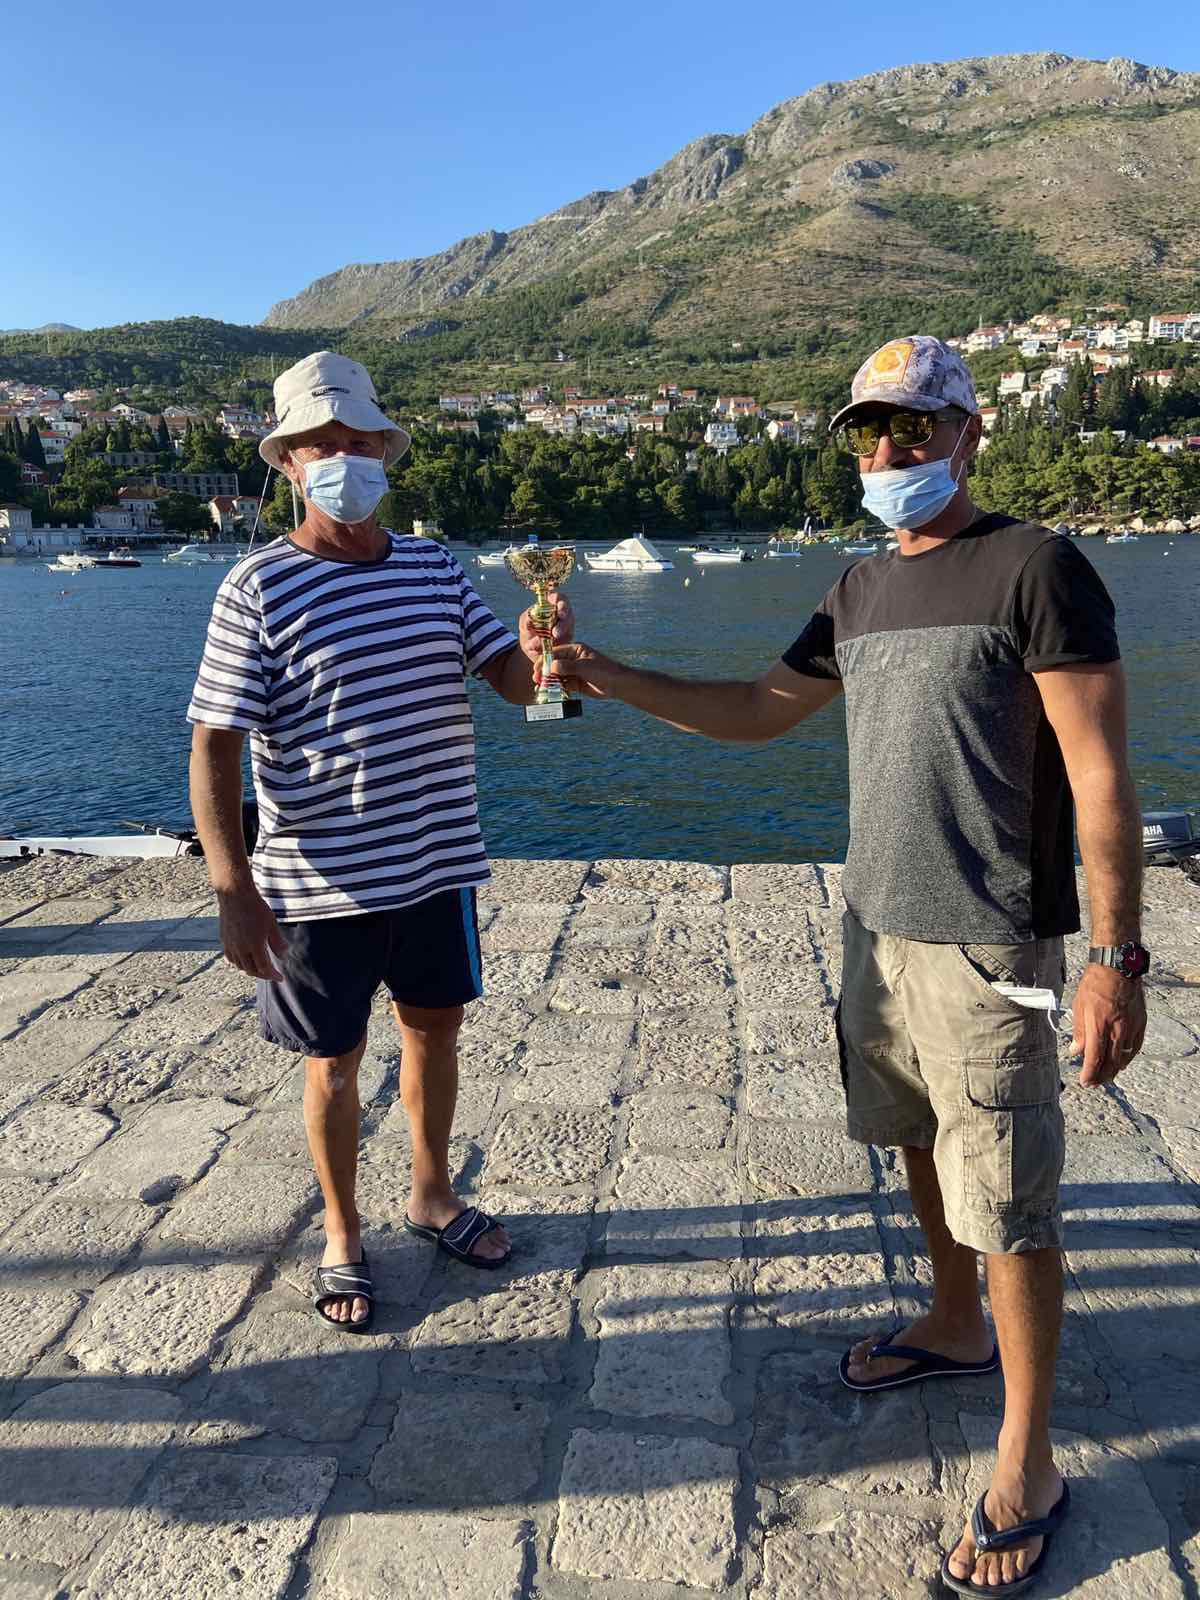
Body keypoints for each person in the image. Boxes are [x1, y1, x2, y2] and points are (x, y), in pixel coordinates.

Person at [553, 335, 1147, 1596]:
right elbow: (759, 711)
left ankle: (1029, 1460)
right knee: (916, 1138)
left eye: (913, 427)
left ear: (968, 434)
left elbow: (1101, 774)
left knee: (1012, 1196)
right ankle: (953, 1322)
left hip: (990, 940)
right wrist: (604, 675)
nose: (887, 450)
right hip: (876, 924)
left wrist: (1114, 958)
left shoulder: (1035, 566)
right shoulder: (859, 588)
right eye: (869, 432)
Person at [187, 351, 571, 1333]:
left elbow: (513, 684)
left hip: (438, 867)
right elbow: (215, 742)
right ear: (288, 462)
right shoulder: (257, 587)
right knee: (334, 1062)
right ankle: (342, 1231)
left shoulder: (435, 567)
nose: (344, 459)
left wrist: (545, 657)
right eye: (323, 445)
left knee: (435, 1032)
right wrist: (233, 889)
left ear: (384, 452)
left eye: (360, 441)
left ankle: (432, 1194)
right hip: (317, 887)